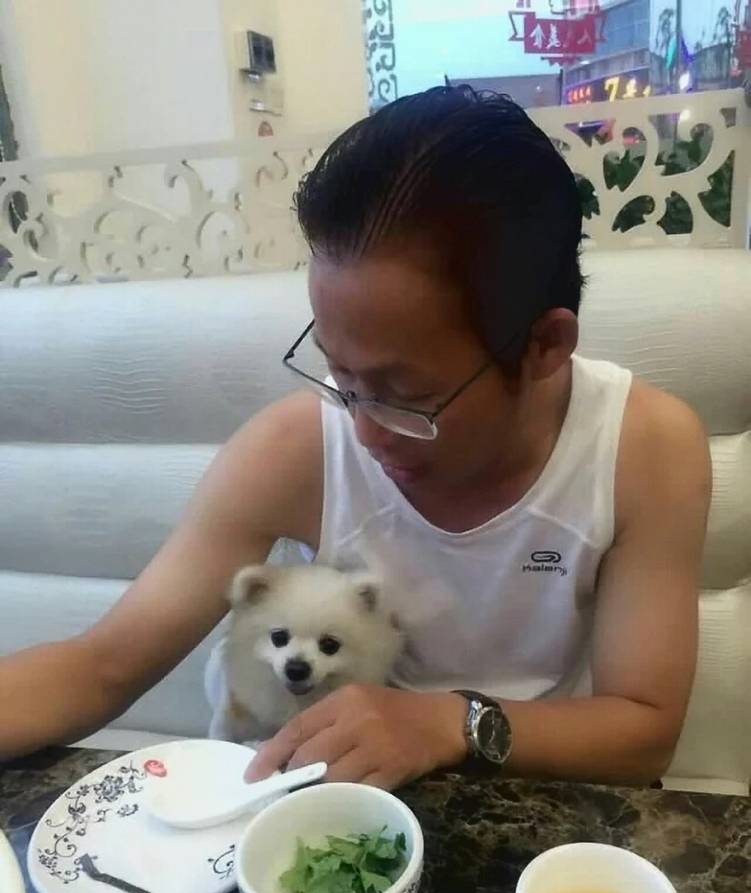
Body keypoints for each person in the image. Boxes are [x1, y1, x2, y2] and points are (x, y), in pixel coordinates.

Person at [0, 87, 710, 790]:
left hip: (546, 793)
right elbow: (103, 666)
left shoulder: (643, 449)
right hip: (342, 794)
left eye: (406, 395)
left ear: (544, 346)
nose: (364, 431)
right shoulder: (291, 449)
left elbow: (642, 734)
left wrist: (448, 722)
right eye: (340, 375)